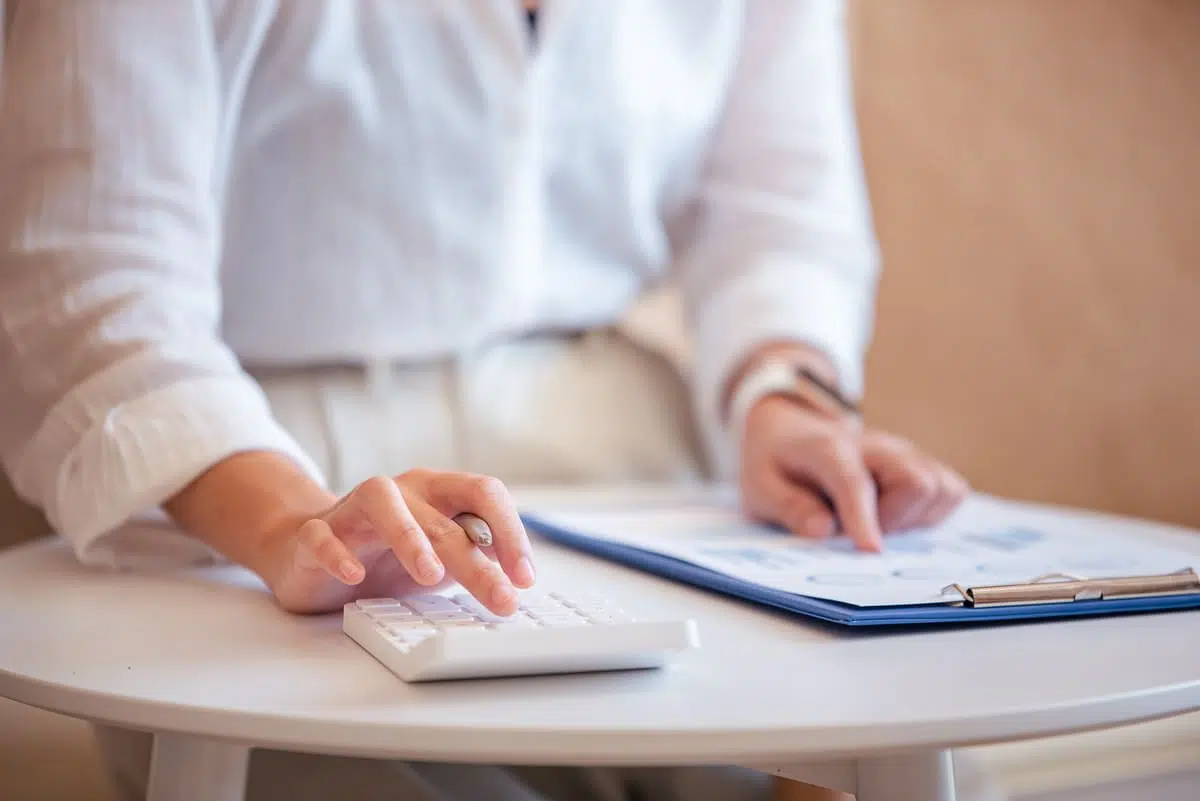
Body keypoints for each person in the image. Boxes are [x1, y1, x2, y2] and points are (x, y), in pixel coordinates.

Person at [0, 1, 976, 800]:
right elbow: (89, 277)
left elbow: (778, 215)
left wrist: (789, 399)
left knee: (890, 765)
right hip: (249, 484)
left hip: (632, 466)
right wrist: (292, 524)